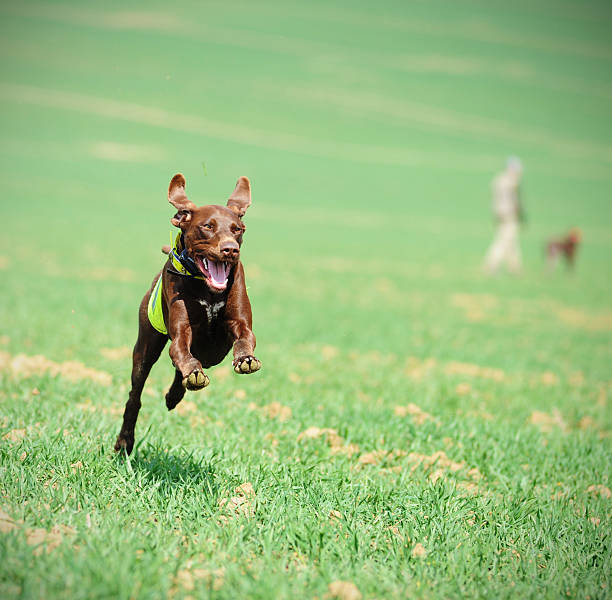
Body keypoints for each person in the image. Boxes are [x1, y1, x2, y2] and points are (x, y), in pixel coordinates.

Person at [484, 156, 525, 274]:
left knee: (511, 242)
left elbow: (495, 199)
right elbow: (516, 201)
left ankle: (515, 269)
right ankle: (492, 265)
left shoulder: (498, 180)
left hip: (500, 214)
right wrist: (520, 215)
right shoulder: (512, 182)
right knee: (504, 242)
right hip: (510, 215)